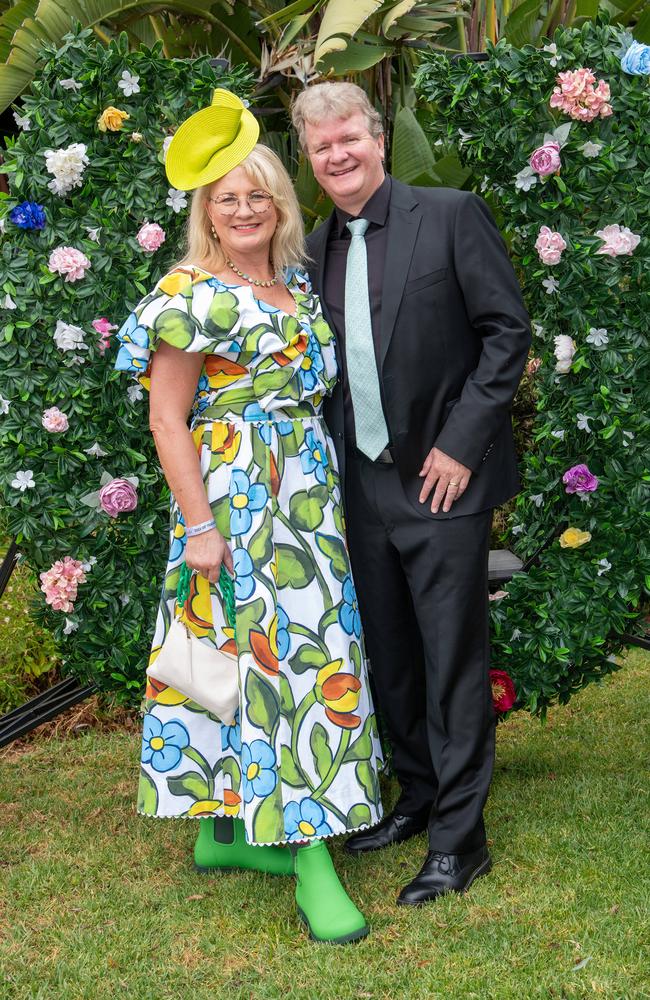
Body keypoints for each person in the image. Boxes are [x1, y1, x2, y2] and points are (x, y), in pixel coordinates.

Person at [115, 89, 383, 945]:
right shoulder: (190, 291)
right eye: (225, 198)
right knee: (285, 669)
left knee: (298, 653)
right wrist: (199, 527)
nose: (242, 209)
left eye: (257, 195)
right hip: (237, 499)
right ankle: (310, 857)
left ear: (279, 204)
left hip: (308, 491)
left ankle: (221, 832)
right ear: (205, 211)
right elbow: (166, 418)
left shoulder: (294, 282)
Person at [291, 82, 531, 906]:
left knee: (451, 659)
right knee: (390, 654)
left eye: (348, 136)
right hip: (358, 483)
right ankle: (419, 795)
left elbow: (506, 331)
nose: (338, 154)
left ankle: (461, 841)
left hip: (442, 480)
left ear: (377, 137)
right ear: (311, 159)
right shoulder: (313, 247)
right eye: (322, 146)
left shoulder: (451, 214)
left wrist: (463, 445)